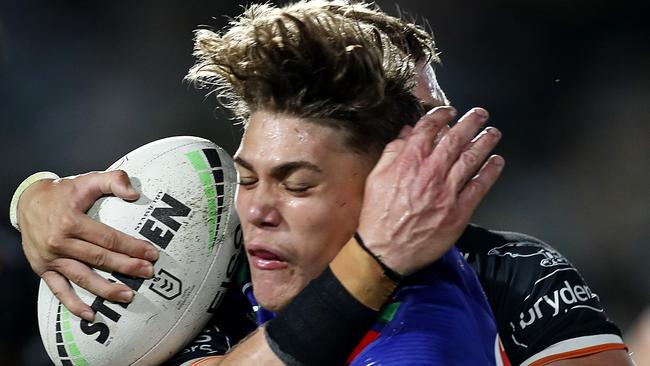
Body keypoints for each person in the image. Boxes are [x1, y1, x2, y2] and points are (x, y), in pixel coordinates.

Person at [9, 1, 633, 365]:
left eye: (297, 184)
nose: (258, 211)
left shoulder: (504, 278)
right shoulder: (203, 266)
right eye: (249, 177)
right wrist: (31, 199)